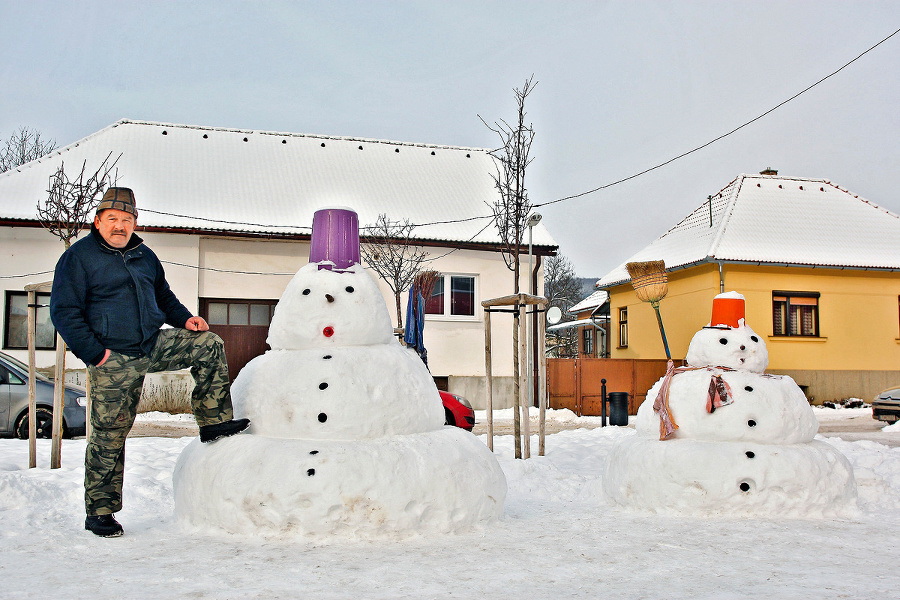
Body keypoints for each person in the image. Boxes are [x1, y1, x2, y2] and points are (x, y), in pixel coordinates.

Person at [50, 187, 249, 538]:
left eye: (127, 220)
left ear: (135, 223)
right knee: (109, 435)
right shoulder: (78, 258)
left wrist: (186, 319)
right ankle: (100, 511)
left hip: (151, 343)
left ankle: (213, 421)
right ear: (97, 221)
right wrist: (96, 354)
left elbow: (164, 296)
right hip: (112, 357)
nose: (119, 226)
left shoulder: (144, 255)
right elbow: (64, 312)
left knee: (208, 343)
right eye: (112, 219)